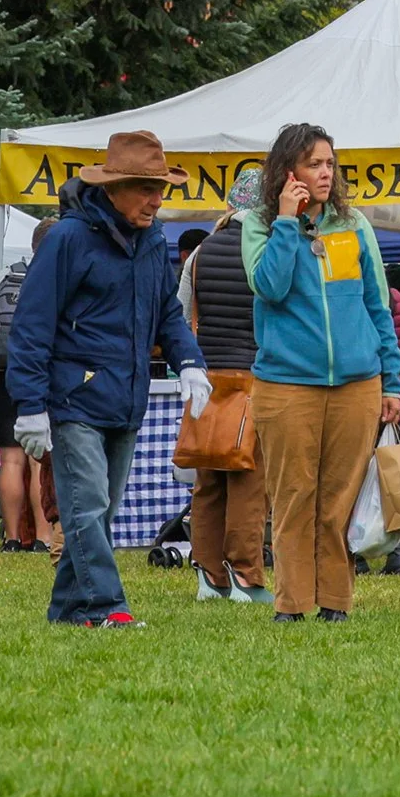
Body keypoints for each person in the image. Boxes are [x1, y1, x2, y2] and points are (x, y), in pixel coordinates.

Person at [7, 132, 210, 626]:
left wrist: (189, 360)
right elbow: (31, 323)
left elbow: (167, 311)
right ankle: (106, 607)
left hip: (126, 396)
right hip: (73, 398)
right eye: (146, 189)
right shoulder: (68, 239)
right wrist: (30, 404)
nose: (156, 200)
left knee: (97, 512)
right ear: (113, 188)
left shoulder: (152, 239)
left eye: (160, 189)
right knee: (88, 506)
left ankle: (66, 609)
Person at [242, 122, 400, 623]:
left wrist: (392, 379)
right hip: (286, 384)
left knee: (338, 503)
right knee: (293, 498)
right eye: (314, 164)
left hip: (357, 384)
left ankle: (335, 603)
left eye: (330, 163)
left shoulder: (354, 226)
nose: (326, 173)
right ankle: (291, 604)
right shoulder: (259, 225)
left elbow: (378, 305)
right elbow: (269, 287)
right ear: (287, 171)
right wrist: (287, 223)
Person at [183, 190, 270, 603]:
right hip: (254, 376)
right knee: (249, 481)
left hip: (207, 376)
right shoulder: (266, 248)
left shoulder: (200, 252)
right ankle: (245, 575)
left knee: (209, 480)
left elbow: (183, 313)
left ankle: (209, 575)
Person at [0, 223, 53, 552]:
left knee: (11, 461)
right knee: (40, 461)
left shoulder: (2, 276)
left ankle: (11, 538)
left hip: (4, 376)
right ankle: (42, 536)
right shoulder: (58, 275)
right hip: (43, 375)